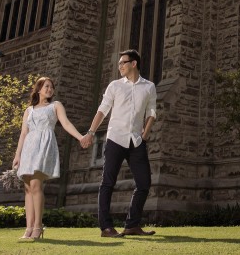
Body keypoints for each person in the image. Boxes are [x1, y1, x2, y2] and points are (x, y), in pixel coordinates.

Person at [81, 49, 157, 238]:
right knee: (108, 183)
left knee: (144, 183)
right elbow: (102, 110)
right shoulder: (114, 86)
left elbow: (152, 113)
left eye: (123, 62)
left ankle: (132, 225)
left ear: (134, 64)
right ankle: (106, 227)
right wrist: (91, 132)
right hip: (115, 139)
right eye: (119, 63)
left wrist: (145, 135)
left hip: (136, 141)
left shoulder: (149, 87)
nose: (120, 66)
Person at [12, 76, 85, 241]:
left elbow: (66, 123)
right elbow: (24, 133)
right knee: (28, 188)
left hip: (44, 146)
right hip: (29, 148)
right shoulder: (28, 110)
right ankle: (29, 228)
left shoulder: (55, 105)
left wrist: (80, 137)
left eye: (51, 87)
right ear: (38, 89)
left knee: (36, 185)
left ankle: (38, 226)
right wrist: (17, 155)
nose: (49, 89)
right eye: (46, 86)